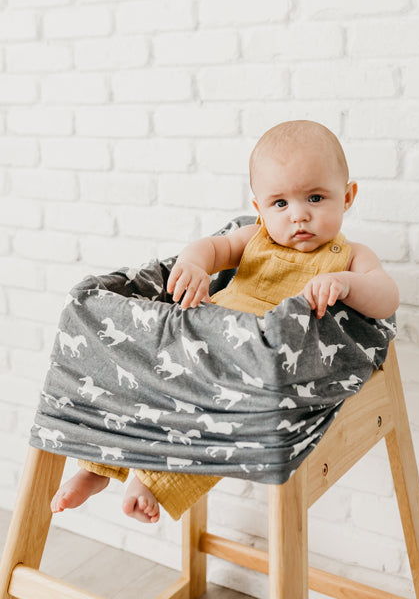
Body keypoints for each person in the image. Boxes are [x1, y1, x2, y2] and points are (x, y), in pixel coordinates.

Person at [51, 120, 399, 523]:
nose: (299, 216)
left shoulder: (351, 256)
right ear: (259, 208)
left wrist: (346, 284)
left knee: (218, 419)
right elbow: (211, 248)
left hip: (252, 365)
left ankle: (152, 481)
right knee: (140, 381)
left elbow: (386, 297)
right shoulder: (254, 237)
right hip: (203, 336)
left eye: (316, 198)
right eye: (280, 204)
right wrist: (193, 264)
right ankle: (97, 467)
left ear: (347, 196)